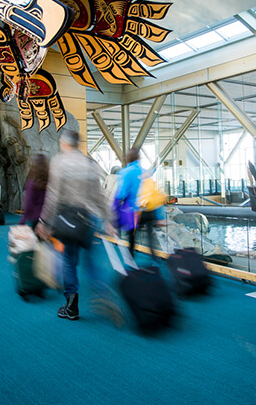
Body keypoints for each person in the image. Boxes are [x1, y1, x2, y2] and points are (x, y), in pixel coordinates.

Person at [36, 129, 115, 321]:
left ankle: (71, 306)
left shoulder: (59, 162)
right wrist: (108, 220)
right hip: (89, 219)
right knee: (91, 262)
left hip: (68, 219)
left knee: (69, 261)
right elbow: (99, 195)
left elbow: (53, 196)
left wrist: (44, 222)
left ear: (64, 143)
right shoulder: (90, 163)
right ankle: (104, 296)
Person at [113, 147, 163, 259]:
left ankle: (130, 264)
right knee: (150, 238)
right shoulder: (145, 172)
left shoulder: (125, 172)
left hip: (134, 213)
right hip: (148, 211)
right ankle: (155, 262)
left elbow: (121, 194)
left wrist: (114, 217)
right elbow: (154, 194)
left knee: (131, 238)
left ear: (127, 158)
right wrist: (159, 216)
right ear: (139, 158)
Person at [19, 153, 49, 229]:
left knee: (35, 239)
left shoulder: (33, 183)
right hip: (47, 217)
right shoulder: (49, 181)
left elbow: (29, 202)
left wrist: (23, 220)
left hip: (35, 216)